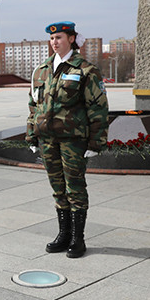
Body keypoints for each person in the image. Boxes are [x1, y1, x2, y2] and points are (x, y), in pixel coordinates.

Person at [25, 21, 109, 258]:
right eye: (52, 39)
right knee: (58, 188)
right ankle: (63, 234)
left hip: (73, 140)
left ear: (71, 39)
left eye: (59, 38)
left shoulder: (85, 70)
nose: (55, 42)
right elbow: (34, 105)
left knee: (75, 188)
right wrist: (32, 135)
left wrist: (96, 142)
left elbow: (98, 108)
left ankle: (77, 239)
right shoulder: (41, 70)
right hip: (47, 140)